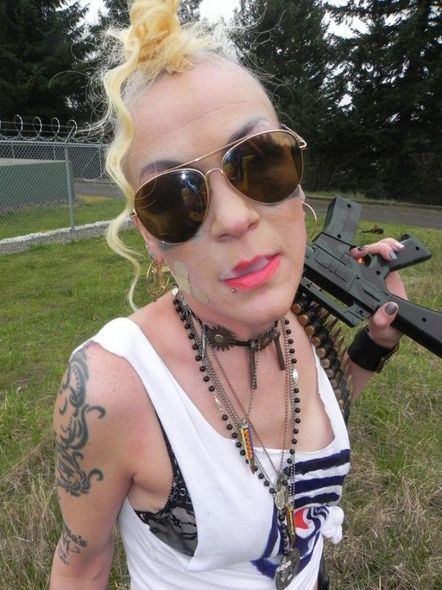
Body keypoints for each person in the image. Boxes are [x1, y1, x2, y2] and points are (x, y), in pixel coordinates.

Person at [49, 1, 407, 588]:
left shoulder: (303, 315)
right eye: (174, 199)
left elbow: (322, 410)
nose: (235, 219)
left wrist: (376, 342)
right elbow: (81, 565)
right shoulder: (112, 388)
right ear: (152, 238)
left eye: (260, 163)